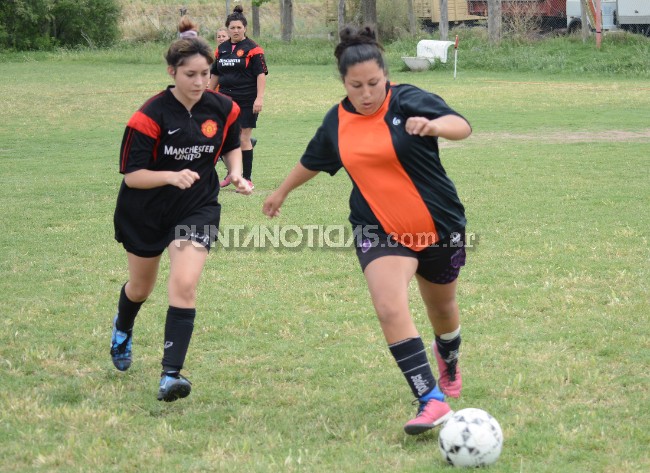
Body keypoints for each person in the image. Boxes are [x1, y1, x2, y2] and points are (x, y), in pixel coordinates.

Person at [263, 25, 472, 435]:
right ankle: (430, 399)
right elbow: (315, 160)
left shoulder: (408, 99)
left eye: (374, 83)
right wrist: (282, 191)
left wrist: (433, 127)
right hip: (377, 227)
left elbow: (461, 125)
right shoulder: (337, 121)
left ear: (385, 76)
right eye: (355, 85)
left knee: (442, 310)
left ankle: (448, 355)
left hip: (438, 224)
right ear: (343, 82)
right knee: (389, 305)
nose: (366, 93)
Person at [110, 17, 251, 403]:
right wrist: (170, 177)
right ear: (172, 72)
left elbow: (230, 145)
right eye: (190, 74)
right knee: (140, 288)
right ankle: (123, 328)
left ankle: (170, 375)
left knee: (185, 283)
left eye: (206, 73)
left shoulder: (223, 107)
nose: (199, 82)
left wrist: (236, 173)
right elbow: (134, 175)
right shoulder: (149, 115)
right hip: (145, 210)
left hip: (197, 206)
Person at [208, 5, 268, 189]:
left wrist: (259, 98)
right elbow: (216, 73)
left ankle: (247, 178)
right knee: (222, 137)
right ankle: (231, 174)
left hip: (247, 99)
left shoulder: (253, 49)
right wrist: (208, 94)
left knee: (243, 138)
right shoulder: (222, 49)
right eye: (232, 28)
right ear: (227, 29)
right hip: (225, 99)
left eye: (239, 27)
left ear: (245, 28)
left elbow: (261, 74)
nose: (235, 30)